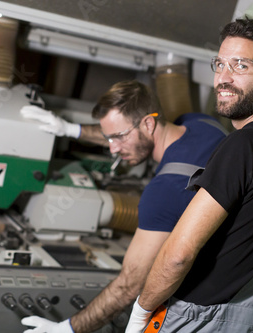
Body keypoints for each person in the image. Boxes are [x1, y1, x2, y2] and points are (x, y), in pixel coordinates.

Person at [125, 17, 253, 333]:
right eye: (219, 64)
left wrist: (141, 312)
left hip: (196, 321)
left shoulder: (244, 144)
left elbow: (179, 254)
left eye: (241, 66)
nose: (223, 77)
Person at [20, 80, 228, 333]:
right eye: (109, 137)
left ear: (149, 124)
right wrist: (70, 129)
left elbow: (128, 285)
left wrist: (67, 329)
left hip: (211, 309)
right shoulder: (202, 124)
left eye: (118, 137)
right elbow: (121, 131)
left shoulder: (164, 191)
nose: (112, 148)